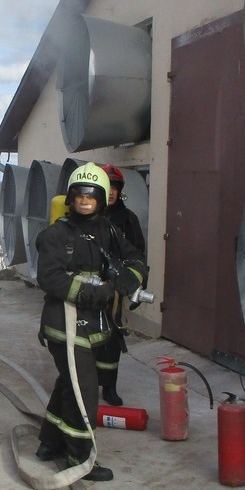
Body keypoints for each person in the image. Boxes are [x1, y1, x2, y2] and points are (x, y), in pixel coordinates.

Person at [34, 163, 147, 481]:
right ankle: (80, 457)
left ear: (101, 199)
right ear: (71, 198)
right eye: (79, 196)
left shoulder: (108, 231)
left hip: (93, 326)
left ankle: (50, 443)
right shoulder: (55, 236)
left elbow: (136, 258)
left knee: (68, 383)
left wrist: (129, 278)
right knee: (84, 390)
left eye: (92, 196)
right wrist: (96, 292)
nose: (85, 201)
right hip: (64, 326)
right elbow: (50, 279)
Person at [96, 164, 147, 406]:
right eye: (108, 187)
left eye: (115, 187)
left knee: (112, 338)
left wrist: (137, 283)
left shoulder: (128, 219)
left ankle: (109, 387)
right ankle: (84, 382)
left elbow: (138, 254)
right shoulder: (89, 216)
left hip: (114, 290)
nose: (112, 192)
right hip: (89, 287)